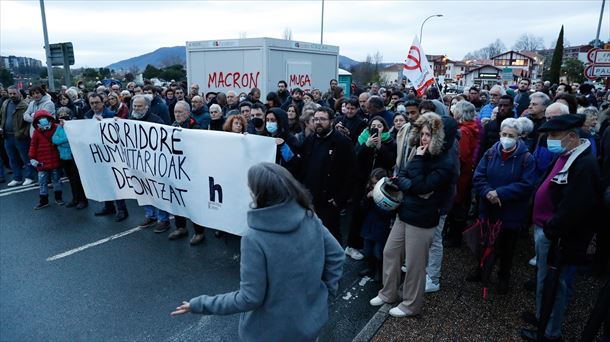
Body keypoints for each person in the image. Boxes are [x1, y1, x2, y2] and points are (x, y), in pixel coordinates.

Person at [171, 162, 345, 342]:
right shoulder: (309, 216)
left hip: (270, 333)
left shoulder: (254, 237)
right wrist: (324, 292)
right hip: (310, 326)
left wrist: (199, 304)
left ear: (260, 194)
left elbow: (249, 298)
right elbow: (337, 255)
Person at [520, 114, 604, 342]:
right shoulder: (569, 155)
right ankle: (542, 318)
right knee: (545, 279)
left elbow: (575, 207)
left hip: (559, 236)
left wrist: (551, 229)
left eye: (554, 136)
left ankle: (549, 332)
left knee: (557, 285)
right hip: (547, 229)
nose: (550, 141)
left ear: (572, 137)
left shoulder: (584, 164)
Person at [370, 113, 455, 318]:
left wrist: (413, 180)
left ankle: (411, 304)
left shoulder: (445, 162)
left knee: (415, 264)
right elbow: (403, 178)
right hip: (406, 212)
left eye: (429, 134)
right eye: (422, 133)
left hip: (423, 219)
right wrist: (412, 186)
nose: (424, 138)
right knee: (391, 253)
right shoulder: (420, 154)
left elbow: (418, 185)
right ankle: (388, 293)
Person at [469, 118, 537, 294]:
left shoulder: (526, 158)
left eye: (511, 135)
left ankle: (503, 277)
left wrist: (500, 193)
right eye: (504, 134)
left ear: (519, 137)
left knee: (507, 247)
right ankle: (481, 270)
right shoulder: (491, 152)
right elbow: (479, 175)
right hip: (488, 208)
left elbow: (527, 184)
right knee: (484, 242)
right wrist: (488, 192)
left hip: (510, 212)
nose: (507, 138)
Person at [299, 107, 356, 243]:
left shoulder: (343, 143)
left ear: (331, 121)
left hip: (330, 201)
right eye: (316, 119)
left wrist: (339, 200)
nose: (318, 122)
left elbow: (351, 173)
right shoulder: (310, 140)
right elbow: (302, 167)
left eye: (323, 119)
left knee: (331, 238)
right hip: (310, 198)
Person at [166, 101, 207, 245]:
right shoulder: (172, 126)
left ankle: (199, 231)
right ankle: (181, 227)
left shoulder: (195, 128)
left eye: (180, 112)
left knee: (193, 203)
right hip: (176, 170)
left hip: (191, 172)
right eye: (175, 112)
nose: (177, 114)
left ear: (188, 113)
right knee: (177, 199)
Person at [444, 101, 480, 248]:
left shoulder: (464, 131)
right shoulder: (470, 127)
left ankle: (455, 237)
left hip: (461, 175)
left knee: (457, 205)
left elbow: (461, 155)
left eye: (456, 110)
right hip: (464, 173)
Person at [357, 168, 393, 282]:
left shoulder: (388, 192)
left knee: (378, 251)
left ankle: (378, 271)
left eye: (375, 183)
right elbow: (362, 208)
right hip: (370, 223)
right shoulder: (369, 191)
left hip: (380, 226)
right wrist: (367, 198)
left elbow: (388, 212)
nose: (373, 185)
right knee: (367, 249)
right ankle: (370, 267)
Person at [52, 107, 88, 209]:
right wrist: (64, 141)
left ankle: (83, 200)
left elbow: (71, 139)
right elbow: (54, 139)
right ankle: (75, 198)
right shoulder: (59, 127)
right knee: (71, 180)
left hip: (73, 157)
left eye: (65, 114)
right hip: (64, 157)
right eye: (60, 115)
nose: (62, 117)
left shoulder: (74, 126)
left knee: (77, 179)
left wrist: (62, 141)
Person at [1, 86, 36, 186]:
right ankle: (17, 178)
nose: (12, 95)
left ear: (19, 94)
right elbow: (2, 117)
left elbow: (29, 122)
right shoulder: (5, 103)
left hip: (20, 137)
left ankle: (30, 176)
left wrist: (24, 133)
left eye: (14, 93)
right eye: (10, 93)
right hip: (7, 136)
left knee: (26, 158)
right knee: (12, 158)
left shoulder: (25, 105)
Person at [28, 110, 63, 210]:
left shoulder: (57, 127)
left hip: (53, 159)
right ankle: (43, 201)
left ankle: (58, 198)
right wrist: (32, 158)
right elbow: (33, 145)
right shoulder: (37, 132)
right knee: (43, 182)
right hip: (42, 161)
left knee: (56, 181)